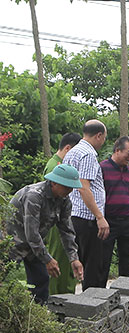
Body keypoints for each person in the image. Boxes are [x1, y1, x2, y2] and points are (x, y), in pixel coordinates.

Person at [7, 164, 84, 303]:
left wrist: (74, 258)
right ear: (54, 182)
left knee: (41, 280)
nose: (70, 191)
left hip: (34, 247)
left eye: (72, 187)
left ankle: (37, 316)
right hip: (10, 243)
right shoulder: (34, 196)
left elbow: (66, 230)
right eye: (67, 187)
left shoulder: (65, 200)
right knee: (5, 282)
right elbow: (31, 233)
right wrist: (48, 259)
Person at [62, 120, 109, 290]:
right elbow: (84, 187)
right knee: (93, 267)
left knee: (83, 263)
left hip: (74, 215)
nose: (103, 142)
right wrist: (99, 216)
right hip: (88, 218)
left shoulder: (72, 152)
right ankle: (92, 309)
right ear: (98, 136)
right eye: (104, 138)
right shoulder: (88, 154)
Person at [98, 136, 129, 286]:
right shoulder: (102, 168)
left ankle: (126, 292)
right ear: (118, 150)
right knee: (103, 260)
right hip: (108, 221)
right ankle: (99, 294)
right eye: (128, 153)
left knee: (127, 259)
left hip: (128, 221)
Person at [43, 132, 81, 295]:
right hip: (54, 222)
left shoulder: (59, 163)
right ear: (67, 148)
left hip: (62, 220)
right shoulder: (55, 166)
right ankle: (58, 300)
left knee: (67, 261)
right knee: (58, 262)